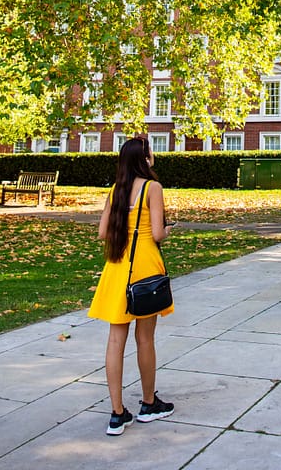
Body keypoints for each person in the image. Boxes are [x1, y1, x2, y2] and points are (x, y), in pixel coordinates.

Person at [88, 135, 175, 434]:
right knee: (145, 338)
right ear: (144, 158)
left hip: (116, 268)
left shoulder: (116, 190)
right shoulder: (153, 188)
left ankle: (116, 413)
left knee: (115, 340)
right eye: (150, 152)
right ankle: (149, 404)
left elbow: (102, 232)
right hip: (145, 268)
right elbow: (157, 234)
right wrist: (168, 228)